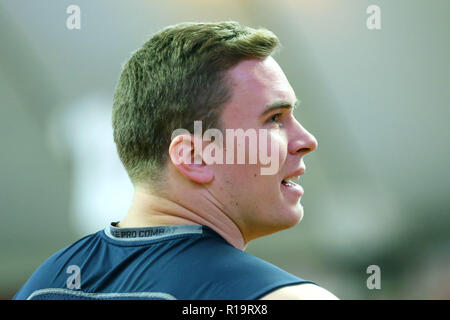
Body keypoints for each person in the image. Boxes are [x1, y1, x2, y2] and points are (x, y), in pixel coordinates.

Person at [13, 21, 338, 300]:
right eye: (275, 119)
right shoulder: (282, 296)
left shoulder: (43, 286)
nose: (307, 141)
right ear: (194, 157)